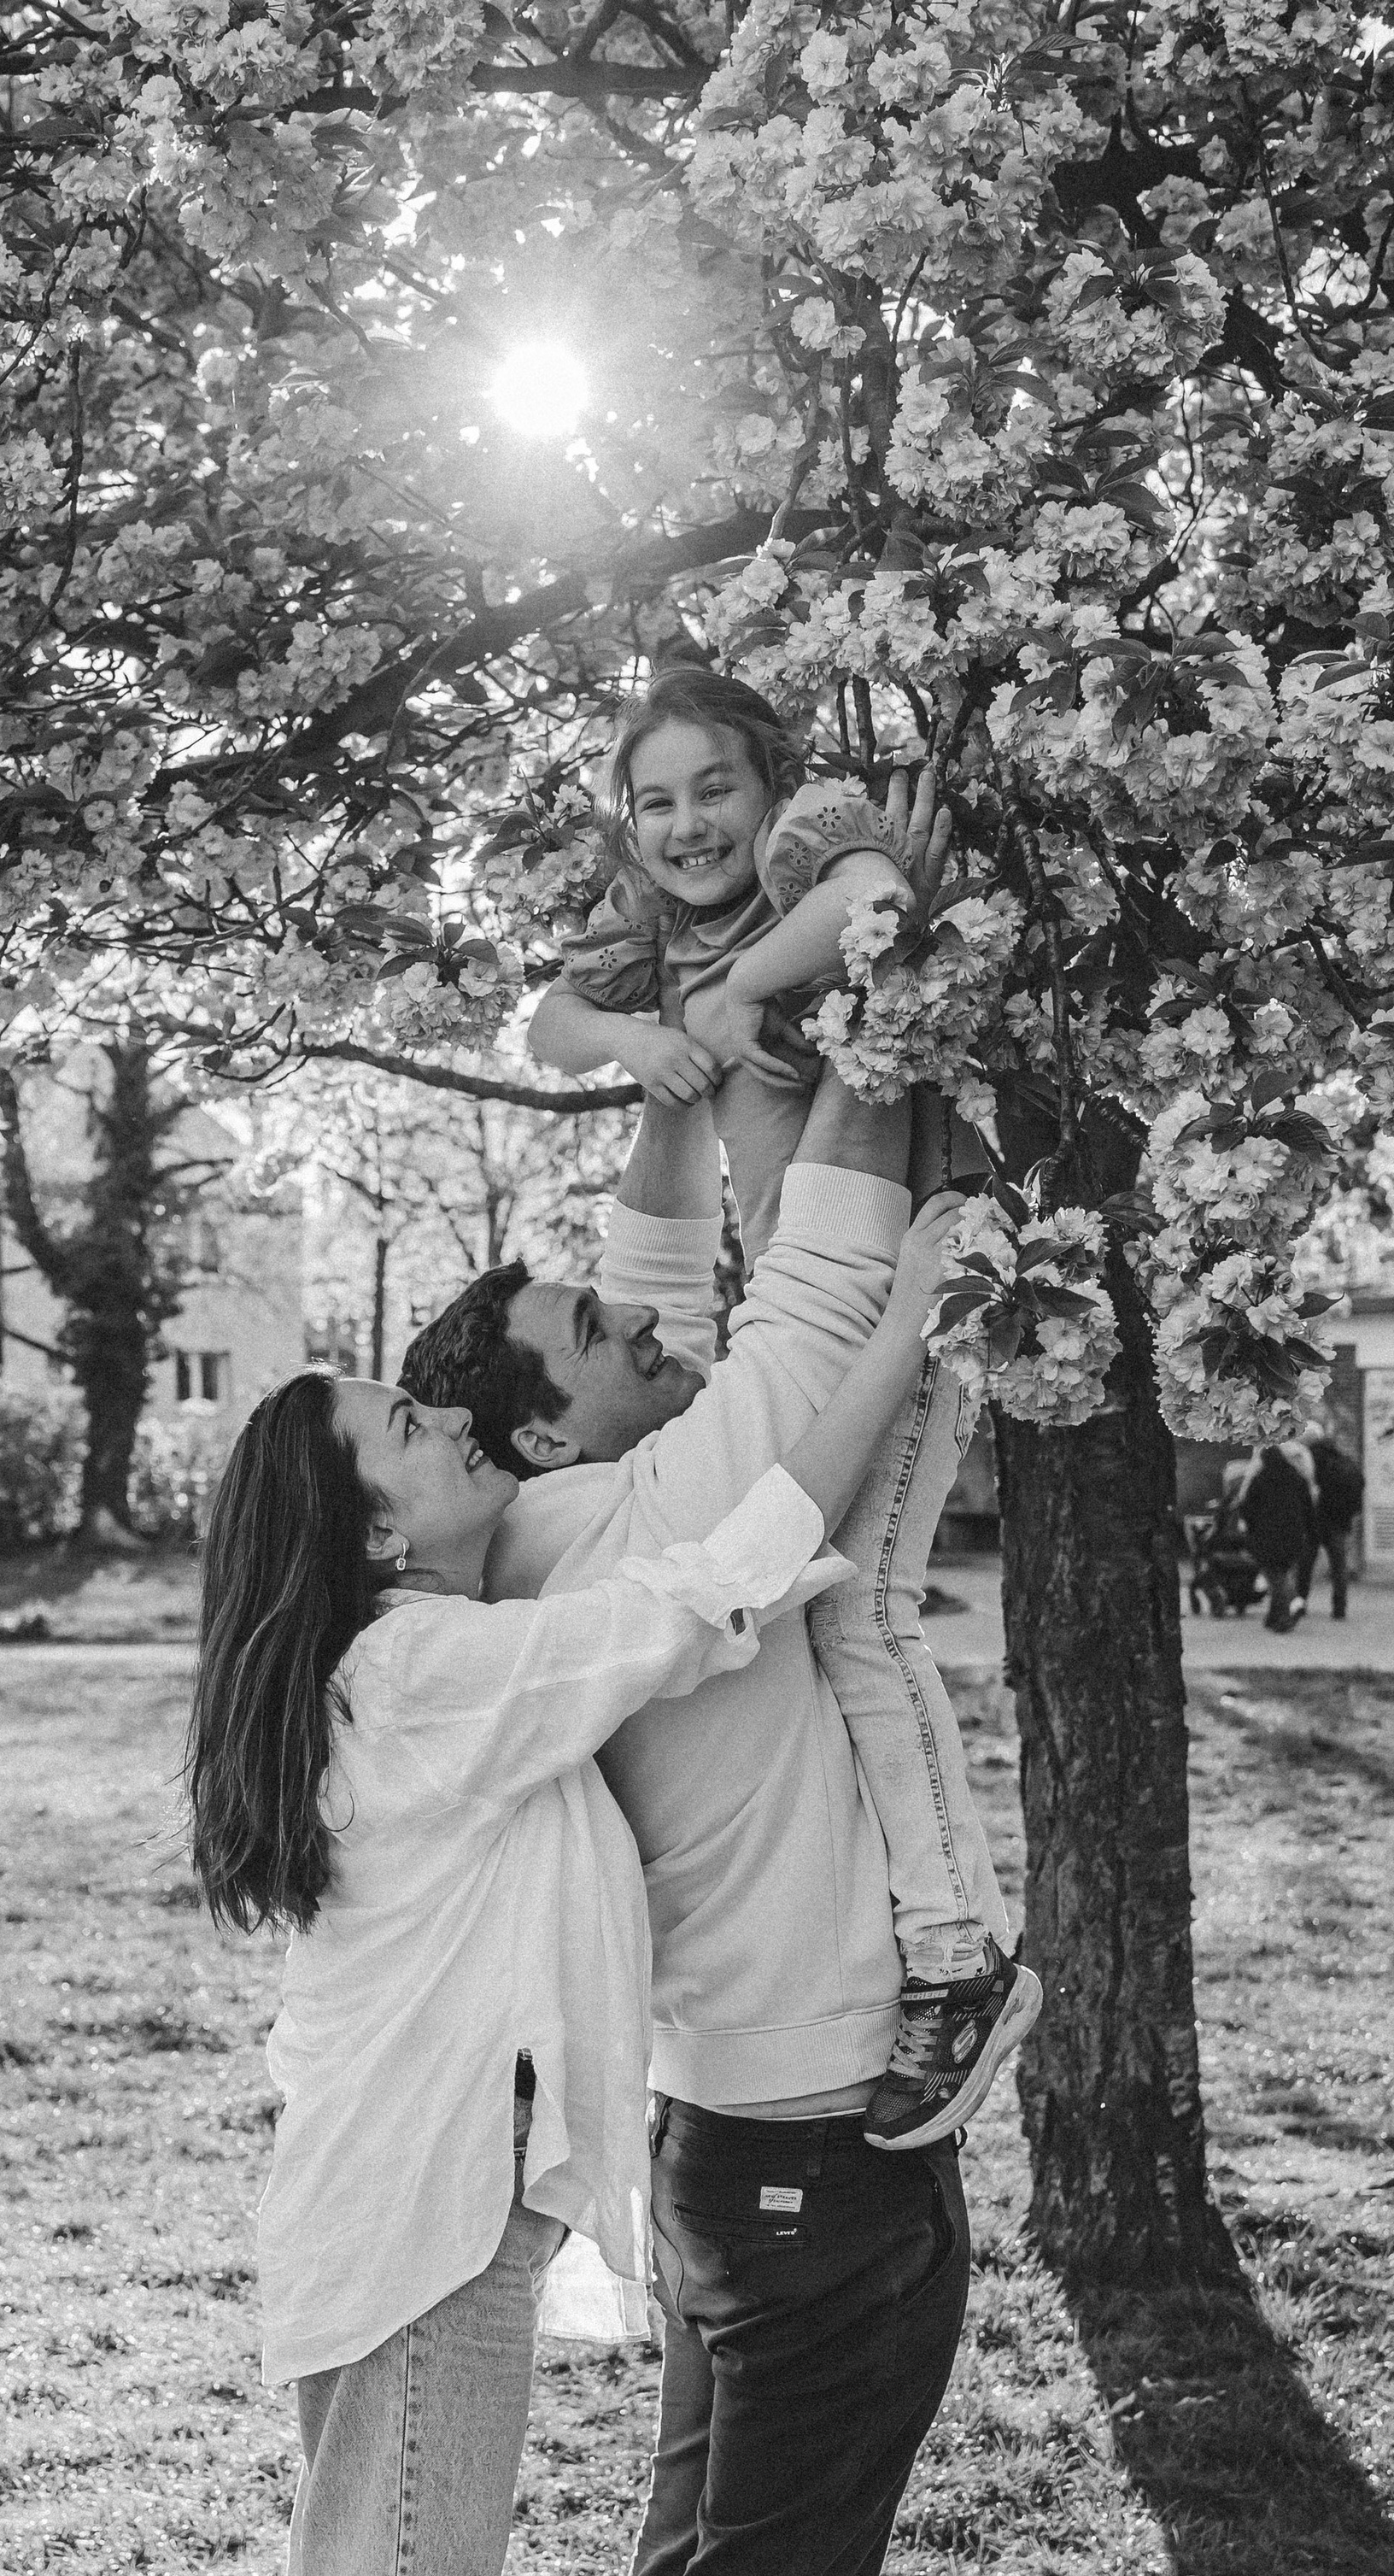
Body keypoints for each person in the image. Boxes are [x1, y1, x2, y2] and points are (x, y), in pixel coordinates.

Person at [184, 1203, 963, 2576]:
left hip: (389, 2210)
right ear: (373, 1531)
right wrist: (893, 1321)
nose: (446, 1423)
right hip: (427, 2230)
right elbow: (711, 1585)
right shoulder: (433, 1669)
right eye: (408, 1430)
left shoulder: (401, 1659)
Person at [401, 1065, 990, 2576]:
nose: (652, 1316)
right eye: (600, 1332)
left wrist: (685, 1076)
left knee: (697, 2574)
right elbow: (809, 1282)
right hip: (804, 2145)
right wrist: (870, 1020)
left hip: (745, 2135)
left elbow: (664, 1282)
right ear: (551, 1425)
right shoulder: (642, 1517)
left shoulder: (571, 1504)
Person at [526, 666, 1037, 2152]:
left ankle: (958, 1955)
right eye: (659, 800)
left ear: (771, 779)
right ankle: (925, 1936)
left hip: (898, 1273)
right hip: (822, 1282)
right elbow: (546, 1023)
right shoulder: (654, 924)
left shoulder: (807, 846)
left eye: (714, 789)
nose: (689, 826)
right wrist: (642, 1042)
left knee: (863, 1607)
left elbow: (878, 890)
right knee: (842, 1608)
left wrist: (747, 987)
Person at [1230, 1444, 1318, 1632]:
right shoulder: (1297, 1478)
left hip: (1266, 1536)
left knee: (1275, 1576)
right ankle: (1275, 1615)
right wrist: (1309, 1531)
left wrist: (1250, 1529)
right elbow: (1308, 1508)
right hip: (1292, 1535)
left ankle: (1288, 1611)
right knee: (1282, 1574)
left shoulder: (1260, 1480)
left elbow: (1247, 1509)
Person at [1297, 1426, 1364, 1617]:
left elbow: (1305, 1489)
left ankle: (1300, 1603)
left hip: (1315, 1521)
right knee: (1338, 1566)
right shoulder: (1342, 1459)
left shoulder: (1308, 1458)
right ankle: (1339, 1607)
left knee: (1305, 1566)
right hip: (1339, 1522)